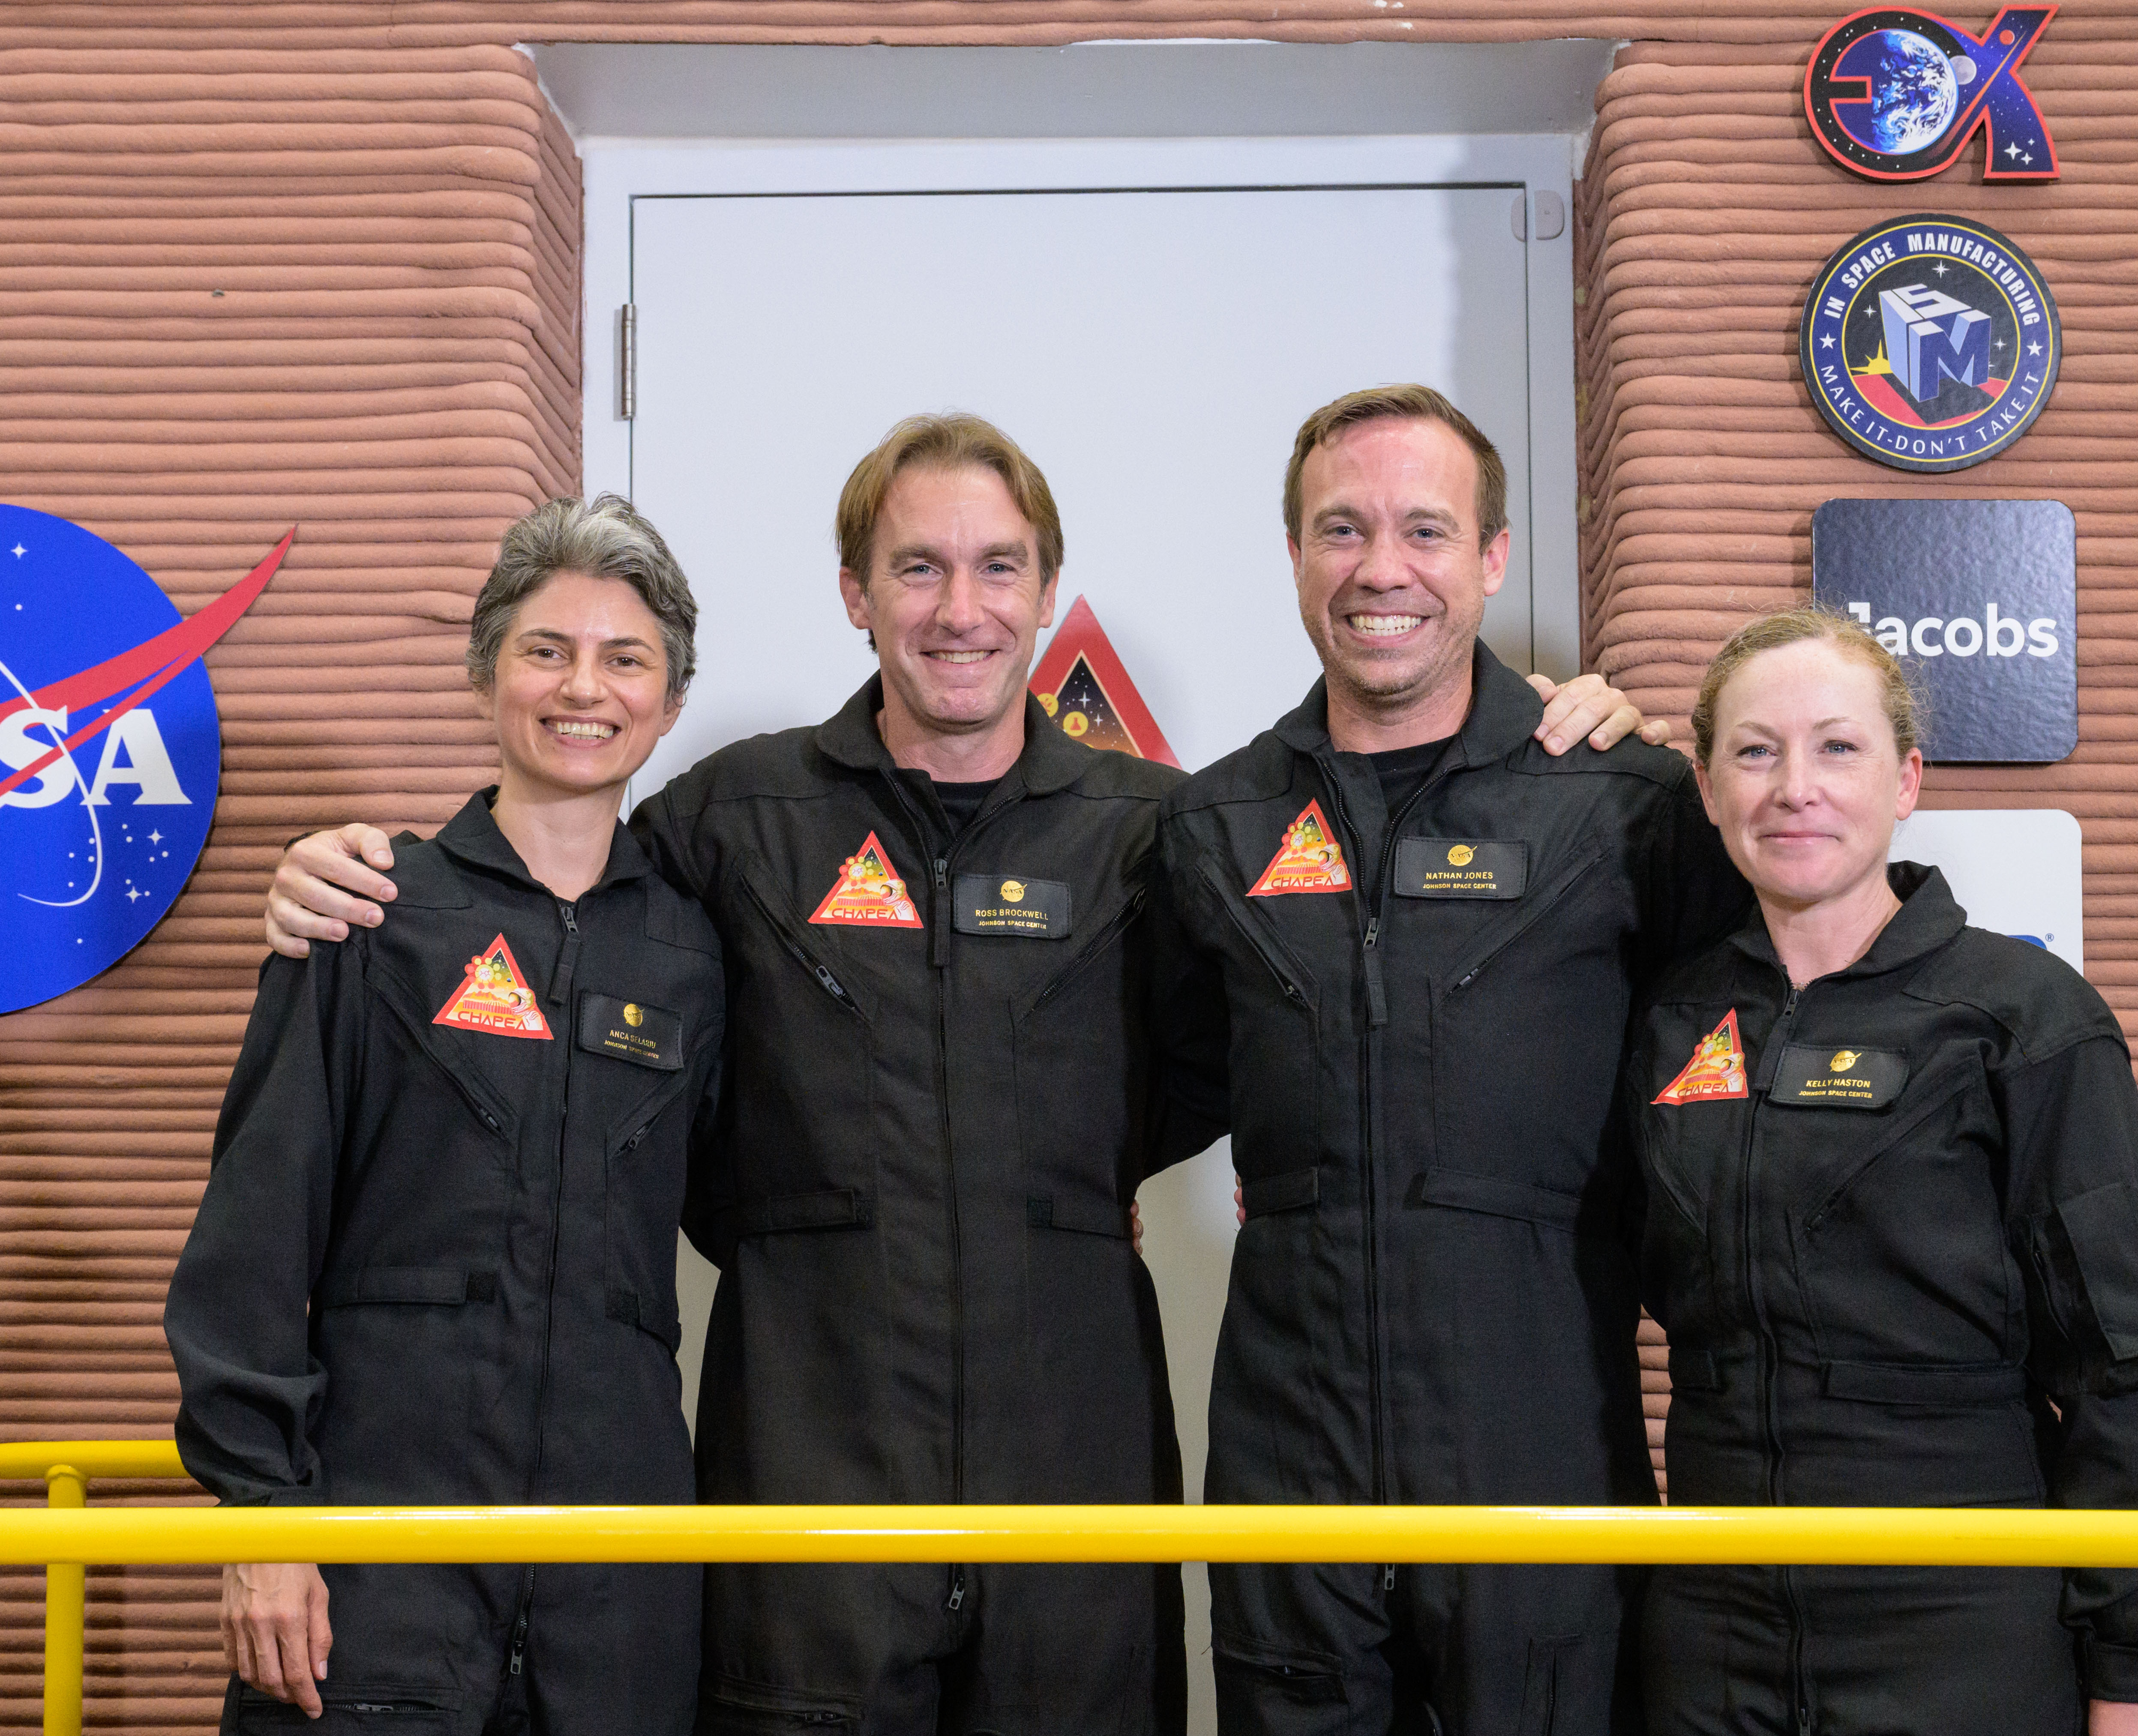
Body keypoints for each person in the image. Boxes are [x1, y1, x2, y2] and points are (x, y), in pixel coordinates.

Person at [254, 413, 1653, 1733]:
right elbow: (566, 911)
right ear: (856, 594)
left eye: (998, 567)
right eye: (916, 567)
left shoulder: (1156, 832)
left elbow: (1264, 1047)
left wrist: (1592, 729)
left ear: (1048, 593)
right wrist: (380, 876)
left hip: (1075, 1473)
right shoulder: (736, 819)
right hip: (809, 1467)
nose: (959, 608)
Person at [1153, 383, 2138, 1736]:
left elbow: (1800, 1003)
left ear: (1494, 557)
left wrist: (2066, 1216)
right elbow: (1149, 1080)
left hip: (1576, 1469)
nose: (1382, 567)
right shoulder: (1211, 824)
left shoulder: (1622, 806)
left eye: (1425, 527)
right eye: (1341, 529)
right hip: (1319, 1471)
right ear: (1294, 551)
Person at [165, 495, 726, 1733]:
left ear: (670, 704)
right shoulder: (371, 915)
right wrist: (264, 1525)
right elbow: (252, 1242)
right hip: (376, 1587)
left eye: (626, 659)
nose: (585, 687)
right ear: (486, 675)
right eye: (547, 649)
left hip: (614, 1616)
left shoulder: (695, 958)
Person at [1623, 608, 2138, 1736]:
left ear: (1906, 779)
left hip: (1957, 1614)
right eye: (1754, 749)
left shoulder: (2025, 1019)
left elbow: (2121, 1373)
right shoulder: (1662, 1022)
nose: (1795, 786)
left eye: (1837, 746)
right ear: (1705, 787)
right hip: (1711, 1621)